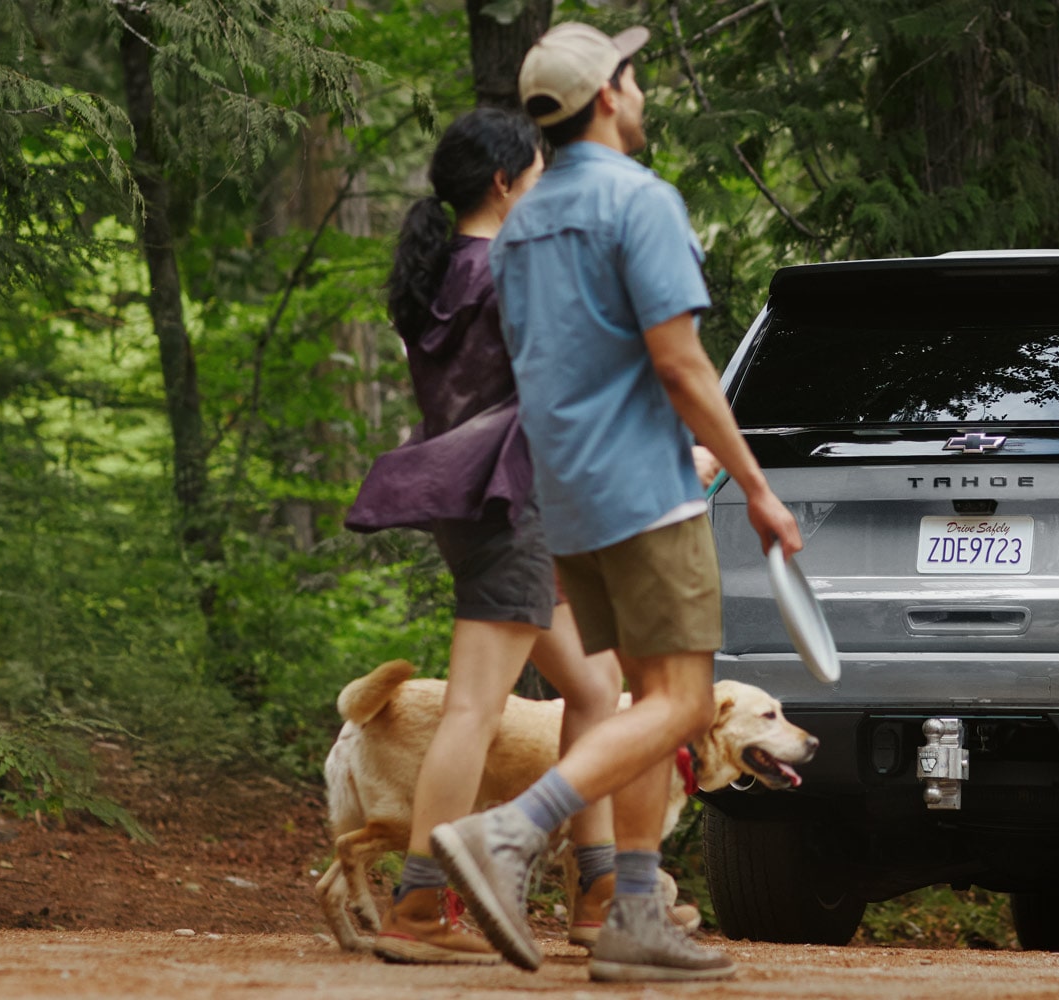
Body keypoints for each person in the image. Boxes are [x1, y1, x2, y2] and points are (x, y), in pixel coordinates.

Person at [429, 22, 802, 984]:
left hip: (564, 494)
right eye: (632, 78)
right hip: (644, 486)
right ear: (608, 96)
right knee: (680, 703)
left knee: (644, 701)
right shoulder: (639, 200)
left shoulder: (527, 219)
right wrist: (755, 485)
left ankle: (635, 912)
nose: (640, 93)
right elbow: (679, 362)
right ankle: (509, 833)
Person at [353, 106, 627, 964]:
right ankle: (422, 908)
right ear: (505, 183)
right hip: (511, 508)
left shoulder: (441, 275)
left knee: (595, 691)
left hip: (479, 508)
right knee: (473, 708)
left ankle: (599, 891)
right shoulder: (507, 272)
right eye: (539, 173)